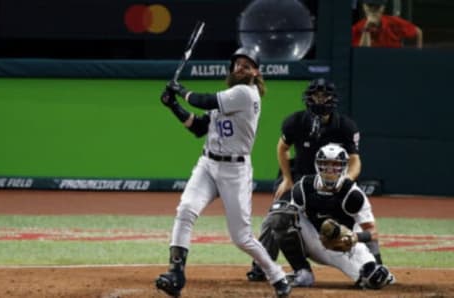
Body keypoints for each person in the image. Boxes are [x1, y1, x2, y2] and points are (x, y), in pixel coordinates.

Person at [154, 47, 292, 298]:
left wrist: (180, 90)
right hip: (208, 165)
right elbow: (198, 127)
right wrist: (173, 105)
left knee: (241, 237)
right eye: (238, 63)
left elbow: (202, 100)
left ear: (255, 72)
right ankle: (176, 274)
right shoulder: (228, 95)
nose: (241, 67)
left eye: (247, 65)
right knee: (186, 209)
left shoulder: (245, 94)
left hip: (235, 171)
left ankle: (277, 275)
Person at [247, 77, 381, 283]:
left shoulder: (346, 126)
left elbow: (355, 160)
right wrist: (286, 179)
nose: (319, 100)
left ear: (332, 99)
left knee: (356, 216)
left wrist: (345, 182)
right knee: (277, 214)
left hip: (334, 182)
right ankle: (262, 266)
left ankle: (377, 263)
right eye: (316, 95)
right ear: (308, 98)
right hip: (300, 179)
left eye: (324, 95)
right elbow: (282, 149)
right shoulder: (295, 121)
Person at [261, 143, 396, 289]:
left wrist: (355, 238)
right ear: (317, 166)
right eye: (325, 164)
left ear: (344, 167)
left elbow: (372, 232)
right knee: (280, 215)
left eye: (335, 165)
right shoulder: (304, 187)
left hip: (345, 245)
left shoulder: (353, 195)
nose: (330, 169)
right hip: (314, 240)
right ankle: (302, 271)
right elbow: (284, 219)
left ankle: (373, 269)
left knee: (375, 279)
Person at [352, 0, 423, 48]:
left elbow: (418, 31)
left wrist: (417, 56)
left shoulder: (394, 22)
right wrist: (367, 28)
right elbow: (363, 56)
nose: (373, 10)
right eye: (370, 6)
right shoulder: (356, 29)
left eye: (377, 7)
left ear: (383, 8)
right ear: (364, 7)